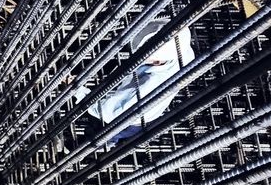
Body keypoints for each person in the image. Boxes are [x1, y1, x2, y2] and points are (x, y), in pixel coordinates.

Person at [59, 24, 194, 152]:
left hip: (133, 120)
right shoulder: (182, 51)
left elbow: (105, 112)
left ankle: (78, 149)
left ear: (157, 61)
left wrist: (76, 89)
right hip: (147, 111)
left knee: (101, 133)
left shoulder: (149, 85)